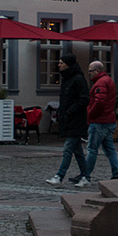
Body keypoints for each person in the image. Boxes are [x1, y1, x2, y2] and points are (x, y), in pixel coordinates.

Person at [46, 51, 90, 187]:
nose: (58, 65)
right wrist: (61, 111)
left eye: (61, 63)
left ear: (68, 65)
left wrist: (69, 111)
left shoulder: (78, 79)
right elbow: (65, 98)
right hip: (69, 119)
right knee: (77, 152)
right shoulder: (67, 79)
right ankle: (86, 176)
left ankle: (59, 176)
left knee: (68, 149)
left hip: (76, 120)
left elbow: (84, 99)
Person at [82, 60, 118, 183]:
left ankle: (86, 176)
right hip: (109, 120)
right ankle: (117, 173)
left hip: (99, 121)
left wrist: (89, 114)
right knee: (110, 149)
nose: (89, 74)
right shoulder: (108, 80)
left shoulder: (100, 83)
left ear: (96, 71)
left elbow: (99, 102)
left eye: (90, 71)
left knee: (92, 150)